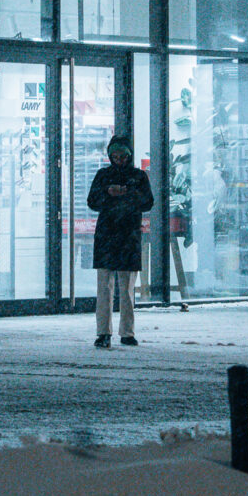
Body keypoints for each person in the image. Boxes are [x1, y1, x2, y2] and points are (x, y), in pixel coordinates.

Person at [87, 135, 154, 348]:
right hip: (117, 234)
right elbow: (92, 201)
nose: (119, 160)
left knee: (123, 287)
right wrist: (114, 193)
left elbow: (148, 202)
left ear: (128, 155)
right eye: (115, 156)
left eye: (122, 156)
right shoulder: (113, 176)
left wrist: (117, 193)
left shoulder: (135, 176)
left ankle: (123, 332)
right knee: (110, 287)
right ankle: (107, 332)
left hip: (121, 234)